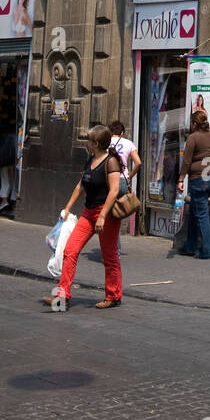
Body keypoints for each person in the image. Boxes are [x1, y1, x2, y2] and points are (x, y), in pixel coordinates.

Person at [43, 125, 123, 309]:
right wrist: (68, 207)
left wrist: (102, 216)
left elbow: (114, 191)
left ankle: (113, 295)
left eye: (88, 140)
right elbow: (81, 185)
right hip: (88, 213)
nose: (86, 143)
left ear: (95, 143)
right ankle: (62, 296)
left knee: (109, 256)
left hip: (107, 214)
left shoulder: (111, 162)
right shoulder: (91, 160)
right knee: (70, 250)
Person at [176, 110, 210, 259]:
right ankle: (190, 245)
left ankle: (207, 250)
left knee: (202, 214)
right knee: (194, 211)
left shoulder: (193, 138)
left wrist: (181, 179)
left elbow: (186, 161)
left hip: (199, 179)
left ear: (194, 124)